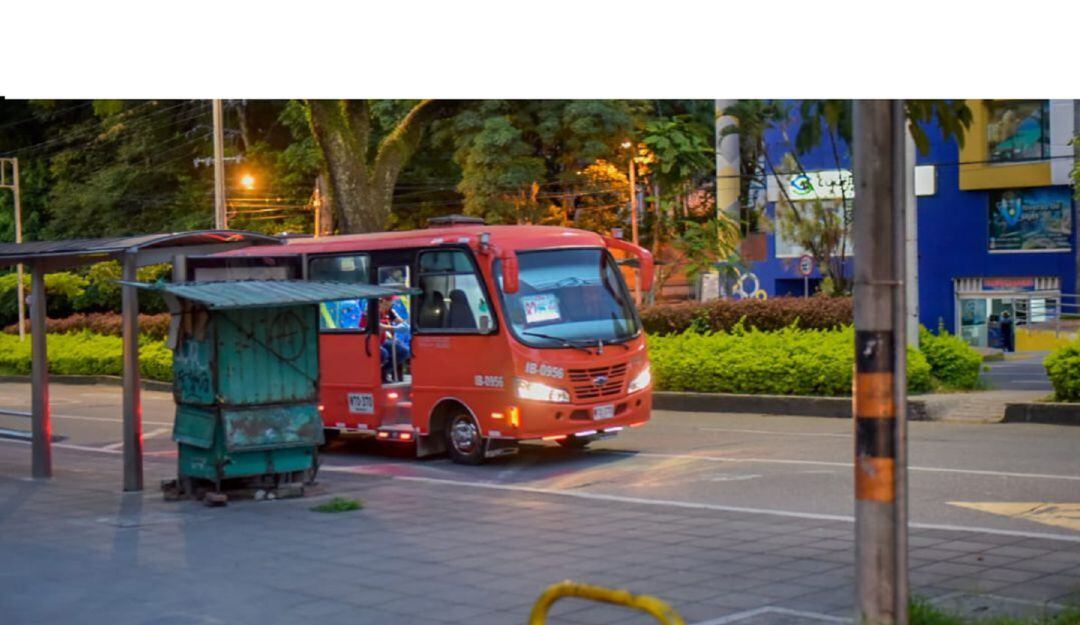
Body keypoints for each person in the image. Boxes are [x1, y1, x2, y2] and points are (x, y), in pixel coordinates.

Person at [379, 297, 410, 382]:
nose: (393, 302)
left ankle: (384, 371)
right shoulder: (372, 310)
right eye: (391, 300)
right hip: (369, 341)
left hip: (383, 340)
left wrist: (405, 326)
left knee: (403, 351)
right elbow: (378, 327)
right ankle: (378, 375)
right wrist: (394, 328)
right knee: (384, 353)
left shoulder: (390, 311)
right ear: (384, 301)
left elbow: (400, 321)